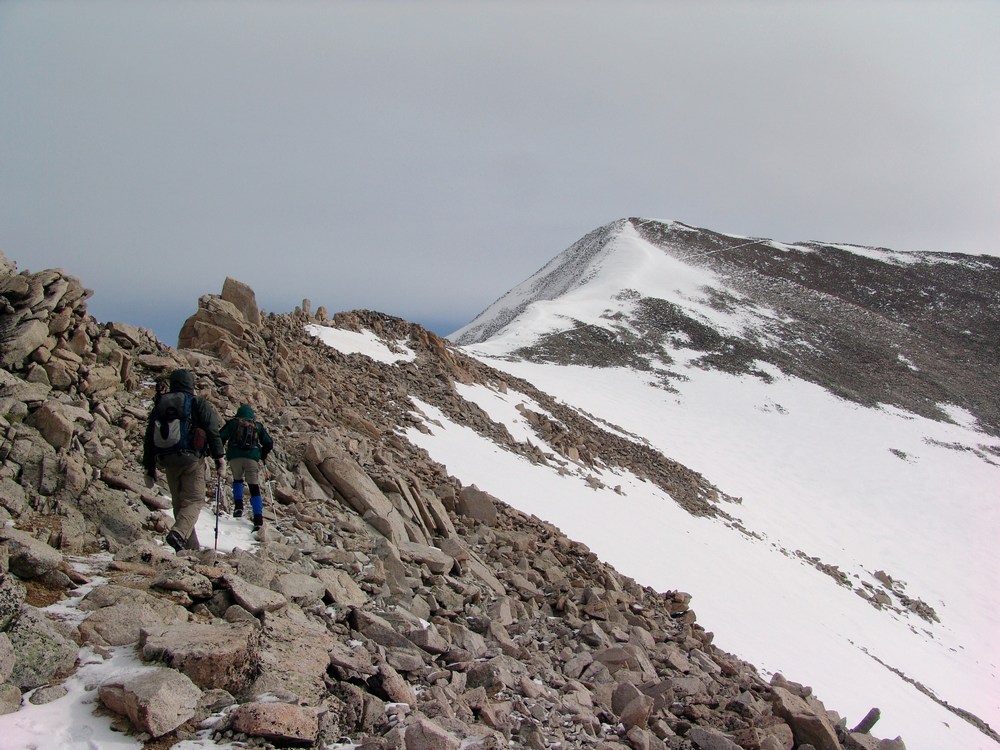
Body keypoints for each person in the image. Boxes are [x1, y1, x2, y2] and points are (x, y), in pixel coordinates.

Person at [143, 369, 224, 552]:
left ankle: (189, 550)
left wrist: (149, 469)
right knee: (194, 501)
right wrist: (219, 458)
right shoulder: (196, 402)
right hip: (191, 459)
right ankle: (179, 534)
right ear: (190, 384)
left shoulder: (161, 404)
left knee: (179, 505)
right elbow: (212, 431)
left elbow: (149, 438)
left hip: (167, 460)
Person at [219, 404, 273, 533]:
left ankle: (238, 506)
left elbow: (220, 436)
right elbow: (269, 442)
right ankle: (258, 519)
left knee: (237, 479)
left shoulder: (233, 423)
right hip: (251, 459)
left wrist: (219, 453)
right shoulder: (257, 425)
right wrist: (262, 454)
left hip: (234, 457)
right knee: (254, 487)